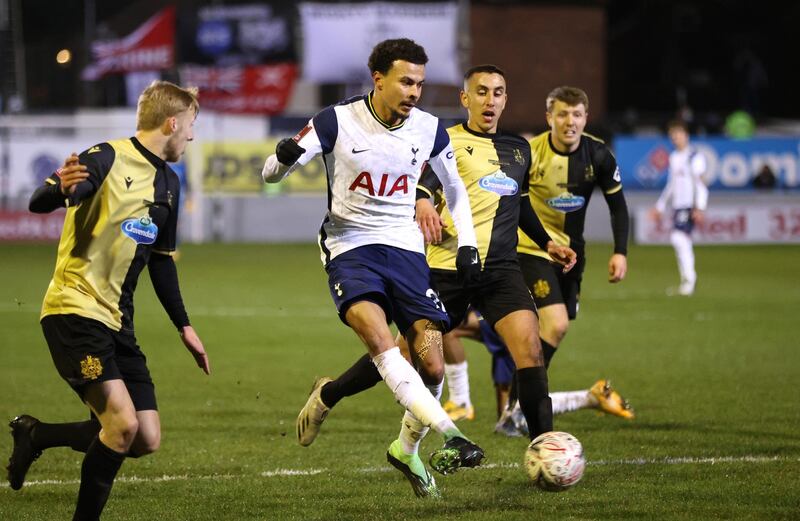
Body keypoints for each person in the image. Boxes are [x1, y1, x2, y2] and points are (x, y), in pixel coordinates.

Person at [290, 64, 577, 498]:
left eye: (498, 92)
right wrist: (423, 202)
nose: (490, 100)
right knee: (409, 359)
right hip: (445, 269)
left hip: (500, 270)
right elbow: (419, 184)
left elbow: (520, 207)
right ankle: (330, 393)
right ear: (466, 99)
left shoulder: (518, 149)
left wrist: (547, 242)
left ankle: (545, 452)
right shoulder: (441, 138)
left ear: (505, 99)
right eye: (481, 91)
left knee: (531, 351)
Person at [262, 39, 484, 498]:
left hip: (405, 250)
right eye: (405, 81)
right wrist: (282, 158)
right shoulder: (336, 121)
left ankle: (404, 449)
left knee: (433, 363)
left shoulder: (429, 128)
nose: (414, 92)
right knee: (382, 340)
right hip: (349, 247)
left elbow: (454, 187)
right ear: (377, 79)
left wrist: (467, 244)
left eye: (420, 83)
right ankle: (453, 434)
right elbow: (270, 174)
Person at [6, 81, 210, 520]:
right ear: (173, 122)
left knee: (145, 437)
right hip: (74, 309)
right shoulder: (107, 156)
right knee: (120, 426)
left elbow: (161, 262)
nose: (192, 136)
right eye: (191, 125)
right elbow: (41, 200)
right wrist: (63, 189)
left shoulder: (170, 185)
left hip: (118, 321)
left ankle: (36, 435)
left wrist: (185, 326)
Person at [445, 86, 635, 435]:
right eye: (562, 114)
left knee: (544, 334)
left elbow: (618, 206)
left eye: (576, 114)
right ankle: (520, 409)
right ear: (550, 118)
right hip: (528, 251)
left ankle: (517, 407)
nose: (569, 122)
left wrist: (620, 251)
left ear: (585, 118)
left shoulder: (599, 155)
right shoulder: (529, 153)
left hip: (570, 256)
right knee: (555, 324)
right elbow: (510, 199)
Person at [649, 119, 709, 297]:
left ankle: (690, 280)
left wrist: (700, 206)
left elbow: (701, 183)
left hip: (689, 206)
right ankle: (688, 279)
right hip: (678, 206)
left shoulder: (694, 157)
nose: (676, 138)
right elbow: (671, 185)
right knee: (680, 240)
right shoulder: (674, 157)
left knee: (678, 238)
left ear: (686, 135)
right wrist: (660, 206)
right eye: (673, 136)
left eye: (678, 134)